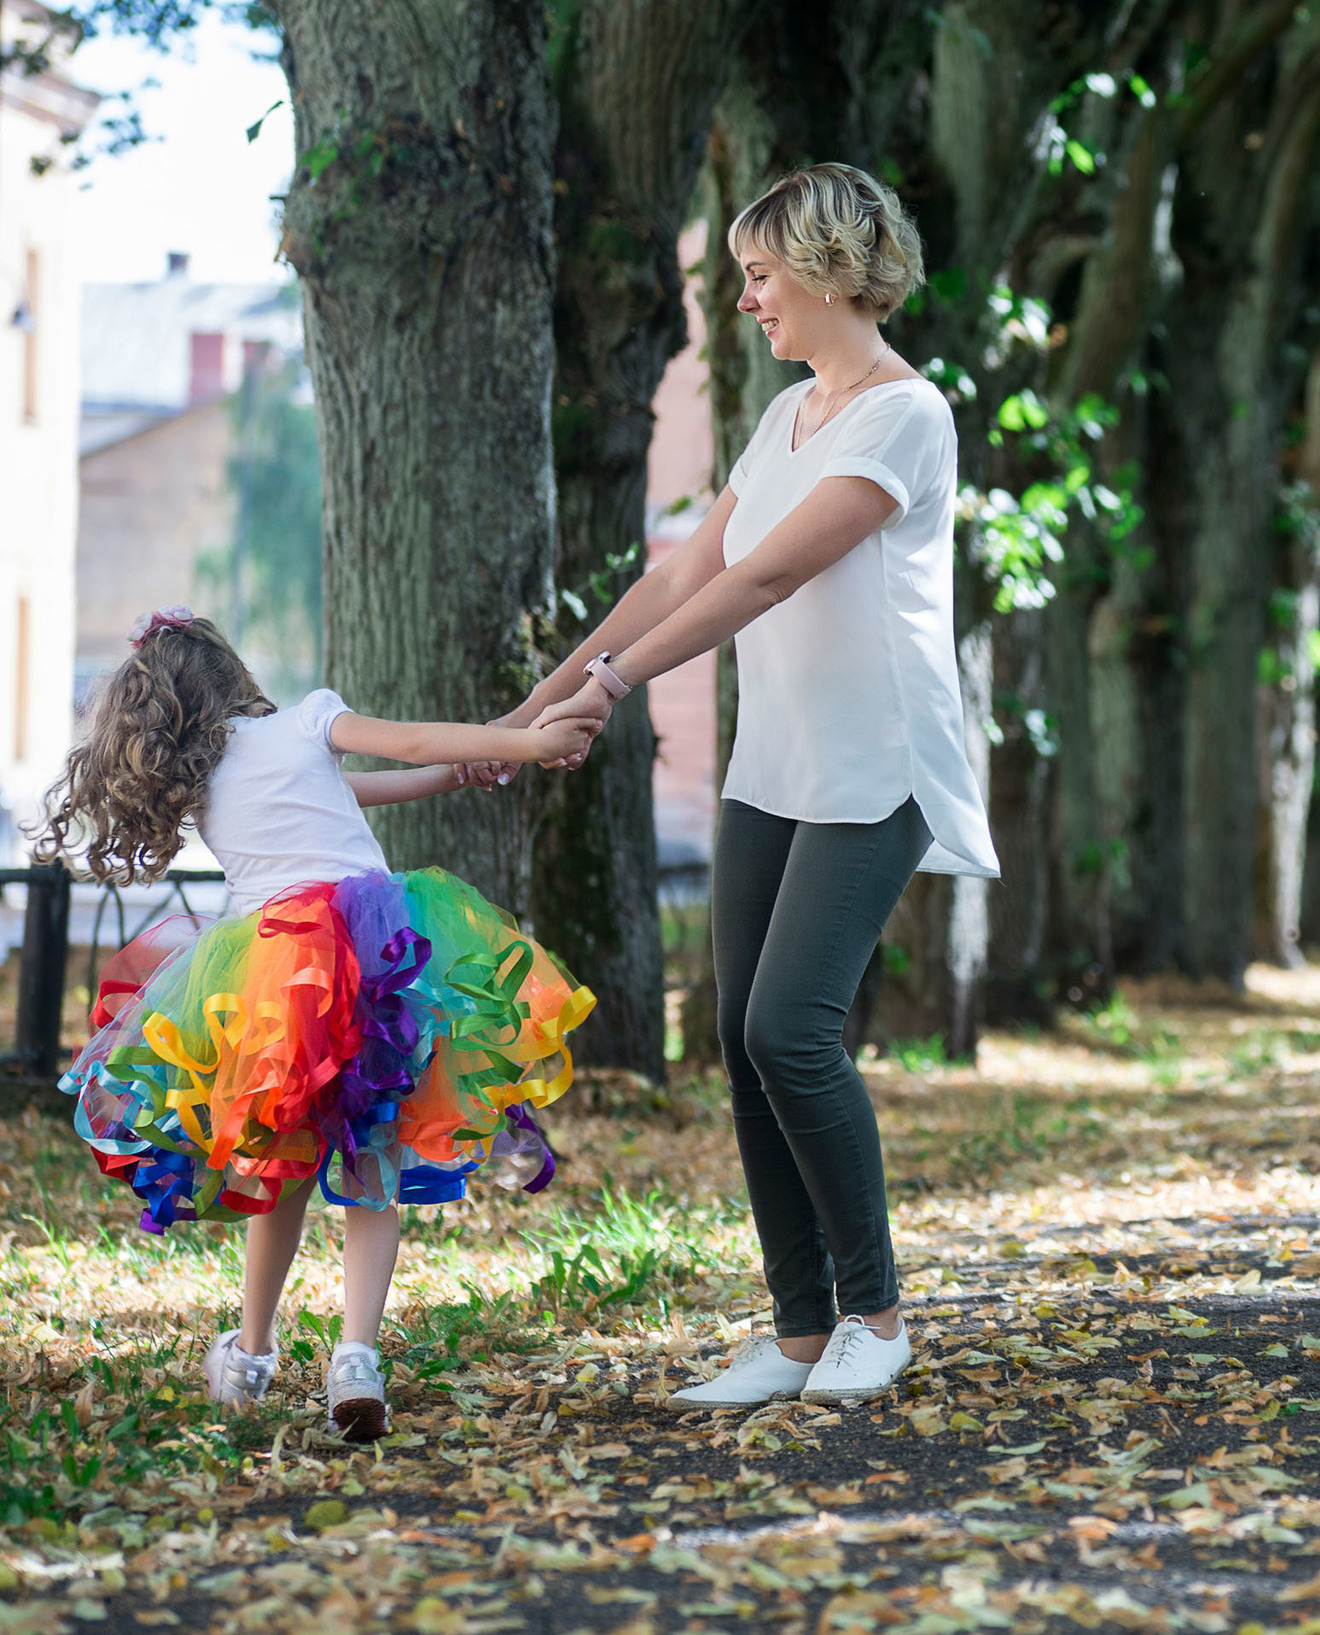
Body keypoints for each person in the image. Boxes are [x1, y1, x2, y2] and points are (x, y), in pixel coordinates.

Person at [485, 163, 999, 1410]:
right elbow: (681, 578)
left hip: (880, 764)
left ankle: (877, 1314)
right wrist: (543, 699)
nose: (747, 300)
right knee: (734, 1032)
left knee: (790, 1028)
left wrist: (612, 690)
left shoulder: (903, 416)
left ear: (826, 270)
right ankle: (801, 1331)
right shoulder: (786, 417)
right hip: (773, 764)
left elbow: (765, 579)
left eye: (761, 275)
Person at [39, 609, 597, 1442]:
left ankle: (252, 1353)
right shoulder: (305, 720)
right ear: (231, 675)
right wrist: (524, 745)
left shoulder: (202, 784)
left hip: (276, 984)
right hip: (379, 963)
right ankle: (356, 1356)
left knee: (284, 1170)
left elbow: (398, 777)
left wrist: (475, 763)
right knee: (372, 1156)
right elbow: (405, 749)